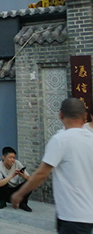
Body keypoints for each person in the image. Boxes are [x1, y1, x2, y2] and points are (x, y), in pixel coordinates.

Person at [11, 98, 93, 233]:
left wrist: (20, 194)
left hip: (73, 215)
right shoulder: (90, 139)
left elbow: (42, 174)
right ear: (84, 116)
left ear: (60, 115)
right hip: (87, 214)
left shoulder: (60, 140)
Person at [0, 146, 32, 212]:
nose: (13, 160)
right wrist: (12, 176)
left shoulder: (17, 163)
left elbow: (30, 179)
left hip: (17, 189)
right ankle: (2, 201)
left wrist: (23, 175)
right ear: (4, 157)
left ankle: (23, 204)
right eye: (10, 157)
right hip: (7, 190)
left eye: (14, 158)